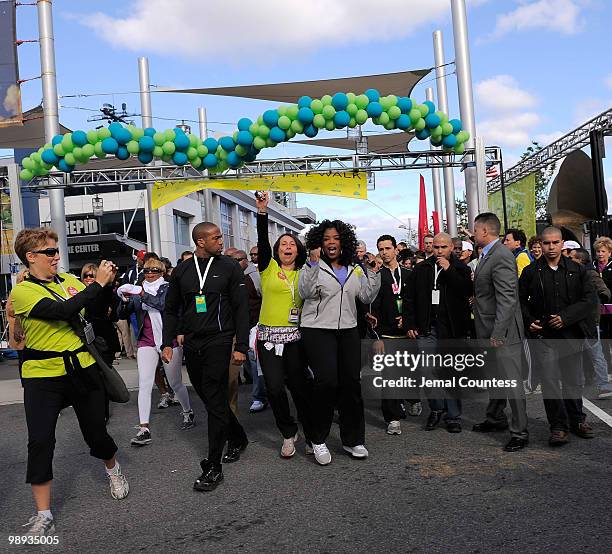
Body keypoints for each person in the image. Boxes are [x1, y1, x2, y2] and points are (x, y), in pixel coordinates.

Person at [12, 228, 129, 536]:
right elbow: (63, 311)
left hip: (82, 367)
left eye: (56, 251)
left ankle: (113, 468)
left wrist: (106, 285)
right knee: (40, 441)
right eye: (50, 252)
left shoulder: (70, 281)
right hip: (42, 375)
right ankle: (44, 514)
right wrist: (97, 284)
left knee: (95, 433)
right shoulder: (23, 291)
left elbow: (92, 307)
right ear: (31, 257)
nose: (57, 256)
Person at [162, 222, 249, 492]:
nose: (221, 241)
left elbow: (241, 307)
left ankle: (213, 466)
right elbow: (171, 308)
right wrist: (167, 341)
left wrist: (241, 346)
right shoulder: (183, 271)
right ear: (200, 242)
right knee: (211, 398)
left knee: (213, 396)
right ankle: (238, 437)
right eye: (216, 237)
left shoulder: (230, 267)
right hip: (192, 342)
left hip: (220, 340)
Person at [299, 219, 380, 465]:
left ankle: (353, 440)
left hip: (348, 330)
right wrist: (313, 264)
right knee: (327, 382)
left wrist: (374, 272)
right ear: (318, 243)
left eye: (335, 238)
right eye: (326, 239)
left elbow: (366, 295)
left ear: (343, 241)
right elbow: (305, 292)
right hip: (317, 330)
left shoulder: (355, 267)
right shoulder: (311, 265)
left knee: (351, 384)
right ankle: (318, 439)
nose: (331, 243)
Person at [520, 227, 597, 446]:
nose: (551, 247)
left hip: (571, 335)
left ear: (562, 243)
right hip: (545, 337)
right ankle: (558, 426)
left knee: (573, 380)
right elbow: (520, 300)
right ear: (540, 245)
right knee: (551, 382)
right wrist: (530, 321)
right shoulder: (531, 271)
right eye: (546, 243)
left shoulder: (577, 270)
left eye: (555, 242)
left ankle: (577, 420)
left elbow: (589, 300)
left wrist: (566, 317)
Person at [255, 192, 314, 457]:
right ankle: (288, 433)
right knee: (275, 389)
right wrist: (262, 212)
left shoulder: (305, 273)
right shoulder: (267, 268)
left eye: (292, 243)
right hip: (268, 340)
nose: (287, 246)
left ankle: (313, 435)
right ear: (277, 251)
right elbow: (262, 243)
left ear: (298, 250)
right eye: (283, 244)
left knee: (301, 389)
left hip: (296, 340)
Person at [119, 257, 194, 446]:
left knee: (175, 382)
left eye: (153, 270)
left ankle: (187, 411)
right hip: (146, 340)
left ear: (162, 272)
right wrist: (125, 300)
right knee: (144, 384)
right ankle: (144, 428)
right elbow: (122, 314)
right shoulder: (136, 290)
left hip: (168, 341)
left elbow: (162, 305)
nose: (149, 273)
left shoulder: (167, 288)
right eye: (146, 270)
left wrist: (141, 294)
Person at [403, 233, 473, 433]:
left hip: (451, 330)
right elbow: (409, 297)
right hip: (428, 328)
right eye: (436, 247)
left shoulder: (462, 268)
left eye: (443, 247)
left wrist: (449, 270)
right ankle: (436, 408)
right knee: (427, 371)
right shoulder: (421, 268)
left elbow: (465, 291)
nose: (439, 251)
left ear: (452, 247)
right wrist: (410, 323)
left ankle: (453, 416)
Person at [471, 213, 529, 452]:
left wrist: (498, 333)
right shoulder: (489, 254)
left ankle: (520, 432)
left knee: (512, 383)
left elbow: (507, 299)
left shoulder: (501, 256)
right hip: (489, 328)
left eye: (475, 230)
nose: (473, 234)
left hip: (502, 332)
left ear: (485, 231)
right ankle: (496, 418)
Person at [369, 234, 420, 435]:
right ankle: (392, 418)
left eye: (387, 248)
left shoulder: (409, 275)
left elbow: (416, 303)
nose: (384, 253)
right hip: (387, 335)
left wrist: (409, 321)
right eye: (380, 249)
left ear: (395, 250)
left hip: (408, 333)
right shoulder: (376, 277)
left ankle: (413, 398)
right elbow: (373, 309)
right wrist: (377, 337)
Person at [569, 248, 612, 398]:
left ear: (580, 260)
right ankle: (576, 385)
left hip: (589, 323)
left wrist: (597, 302)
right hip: (575, 322)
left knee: (596, 354)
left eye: (571, 257)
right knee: (576, 354)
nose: (568, 259)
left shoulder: (590, 274)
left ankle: (605, 386)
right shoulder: (571, 275)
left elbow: (604, 291)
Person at [81, 263, 121, 422]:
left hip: (103, 341)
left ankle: (102, 412)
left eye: (92, 275)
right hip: (84, 342)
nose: (89, 278)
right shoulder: (76, 292)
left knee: (101, 377)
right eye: (86, 275)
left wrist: (109, 282)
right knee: (89, 378)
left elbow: (112, 313)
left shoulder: (104, 292)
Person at [231, 249, 268, 413]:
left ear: (245, 260)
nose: (233, 262)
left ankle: (259, 396)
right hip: (236, 326)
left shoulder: (254, 276)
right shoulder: (230, 276)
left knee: (255, 359)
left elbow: (265, 297)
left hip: (255, 324)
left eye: (236, 259)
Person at [593, 236, 612, 369]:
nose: (600, 254)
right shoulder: (592, 266)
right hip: (598, 308)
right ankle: (607, 364)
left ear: (609, 252)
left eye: (603, 251)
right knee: (603, 336)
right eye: (598, 251)